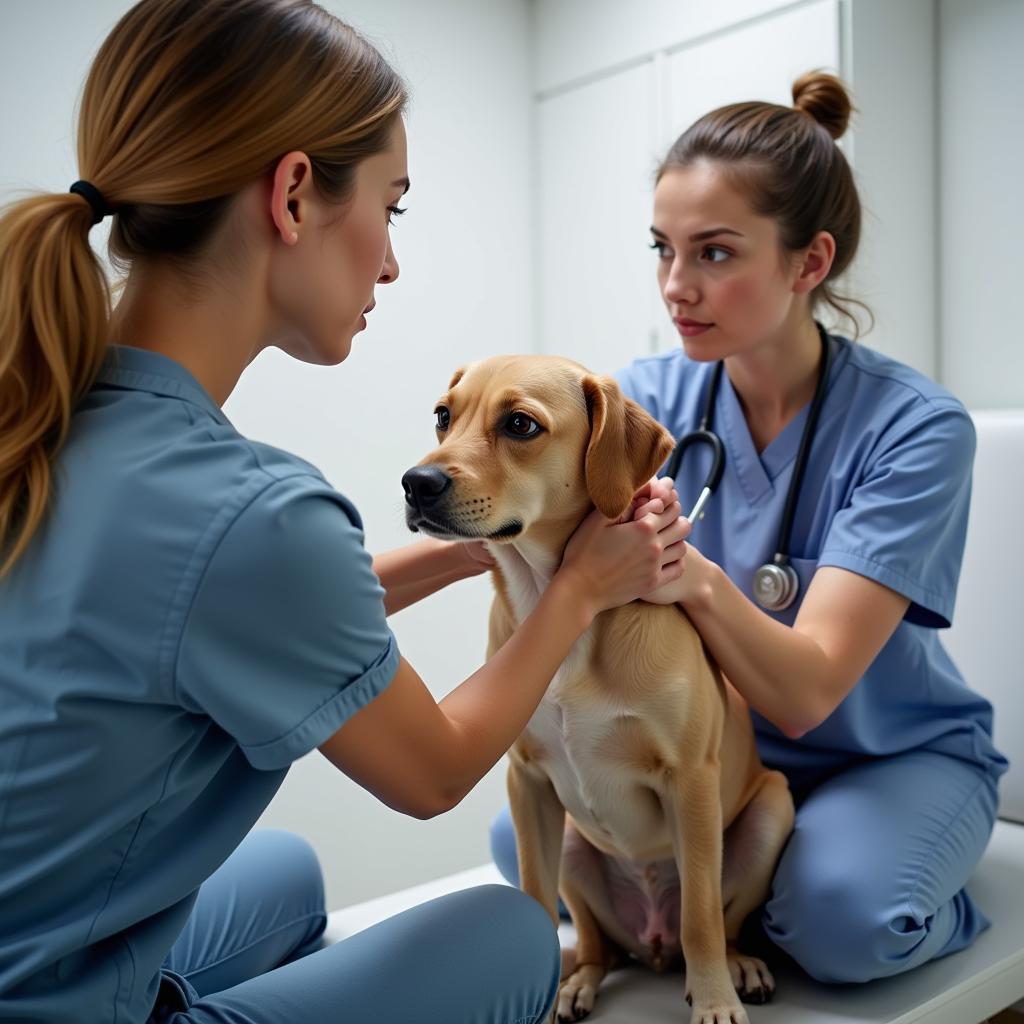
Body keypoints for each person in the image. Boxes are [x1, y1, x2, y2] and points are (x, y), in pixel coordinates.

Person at [0, 2, 690, 1022]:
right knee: (508, 934)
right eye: (393, 207)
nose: (390, 261)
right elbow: (436, 770)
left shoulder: (44, 412)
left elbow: (235, 609)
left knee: (283, 873)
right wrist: (580, 588)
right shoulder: (256, 510)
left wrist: (476, 550)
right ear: (290, 194)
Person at [491, 71, 1009, 985]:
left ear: (810, 263)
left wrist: (690, 576)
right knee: (517, 836)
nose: (676, 287)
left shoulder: (916, 429)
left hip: (882, 754)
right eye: (663, 249)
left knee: (845, 922)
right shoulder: (649, 403)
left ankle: (949, 900)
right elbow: (527, 527)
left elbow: (806, 695)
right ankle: (748, 903)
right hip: (718, 758)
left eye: (715, 254)